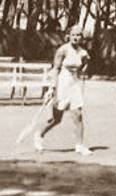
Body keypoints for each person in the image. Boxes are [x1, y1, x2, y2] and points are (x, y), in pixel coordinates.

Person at [34, 25, 92, 155]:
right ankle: (39, 134)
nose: (76, 37)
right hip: (62, 85)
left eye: (78, 35)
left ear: (82, 37)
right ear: (69, 36)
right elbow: (55, 69)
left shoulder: (83, 52)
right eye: (73, 35)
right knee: (56, 119)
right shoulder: (63, 50)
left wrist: (86, 63)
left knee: (78, 115)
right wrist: (52, 87)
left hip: (75, 85)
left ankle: (80, 146)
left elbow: (84, 68)